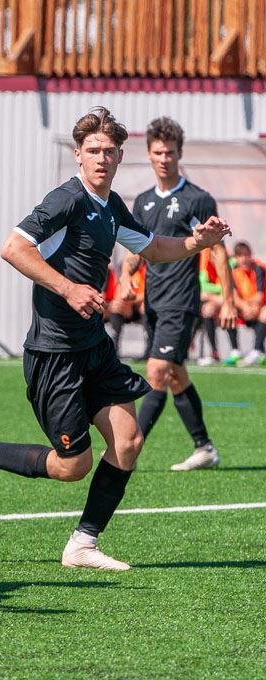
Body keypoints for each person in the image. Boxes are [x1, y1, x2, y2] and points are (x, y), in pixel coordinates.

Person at [0, 107, 231, 571]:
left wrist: (197, 244)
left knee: (129, 441)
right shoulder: (66, 199)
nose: (102, 158)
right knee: (73, 466)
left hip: (94, 346)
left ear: (120, 156)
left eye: (109, 151)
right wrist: (67, 288)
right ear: (79, 155)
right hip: (55, 352)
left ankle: (82, 544)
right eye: (93, 150)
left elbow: (152, 248)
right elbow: (13, 248)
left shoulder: (112, 205)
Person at [117, 117, 236, 471]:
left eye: (170, 152)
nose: (164, 159)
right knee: (175, 375)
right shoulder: (143, 202)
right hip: (153, 301)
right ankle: (204, 448)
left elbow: (217, 251)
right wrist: (125, 275)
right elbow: (136, 247)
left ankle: (126, 451)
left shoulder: (198, 199)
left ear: (179, 153)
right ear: (149, 155)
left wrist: (228, 301)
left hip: (181, 302)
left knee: (156, 372)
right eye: (158, 153)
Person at [223, 241, 266, 367]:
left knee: (265, 313)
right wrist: (246, 307)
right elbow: (235, 296)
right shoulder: (233, 271)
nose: (243, 259)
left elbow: (260, 295)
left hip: (258, 308)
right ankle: (235, 351)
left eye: (246, 255)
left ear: (250, 255)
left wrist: (252, 306)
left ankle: (257, 351)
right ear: (236, 257)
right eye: (240, 256)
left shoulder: (258, 269)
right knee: (227, 311)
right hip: (244, 309)